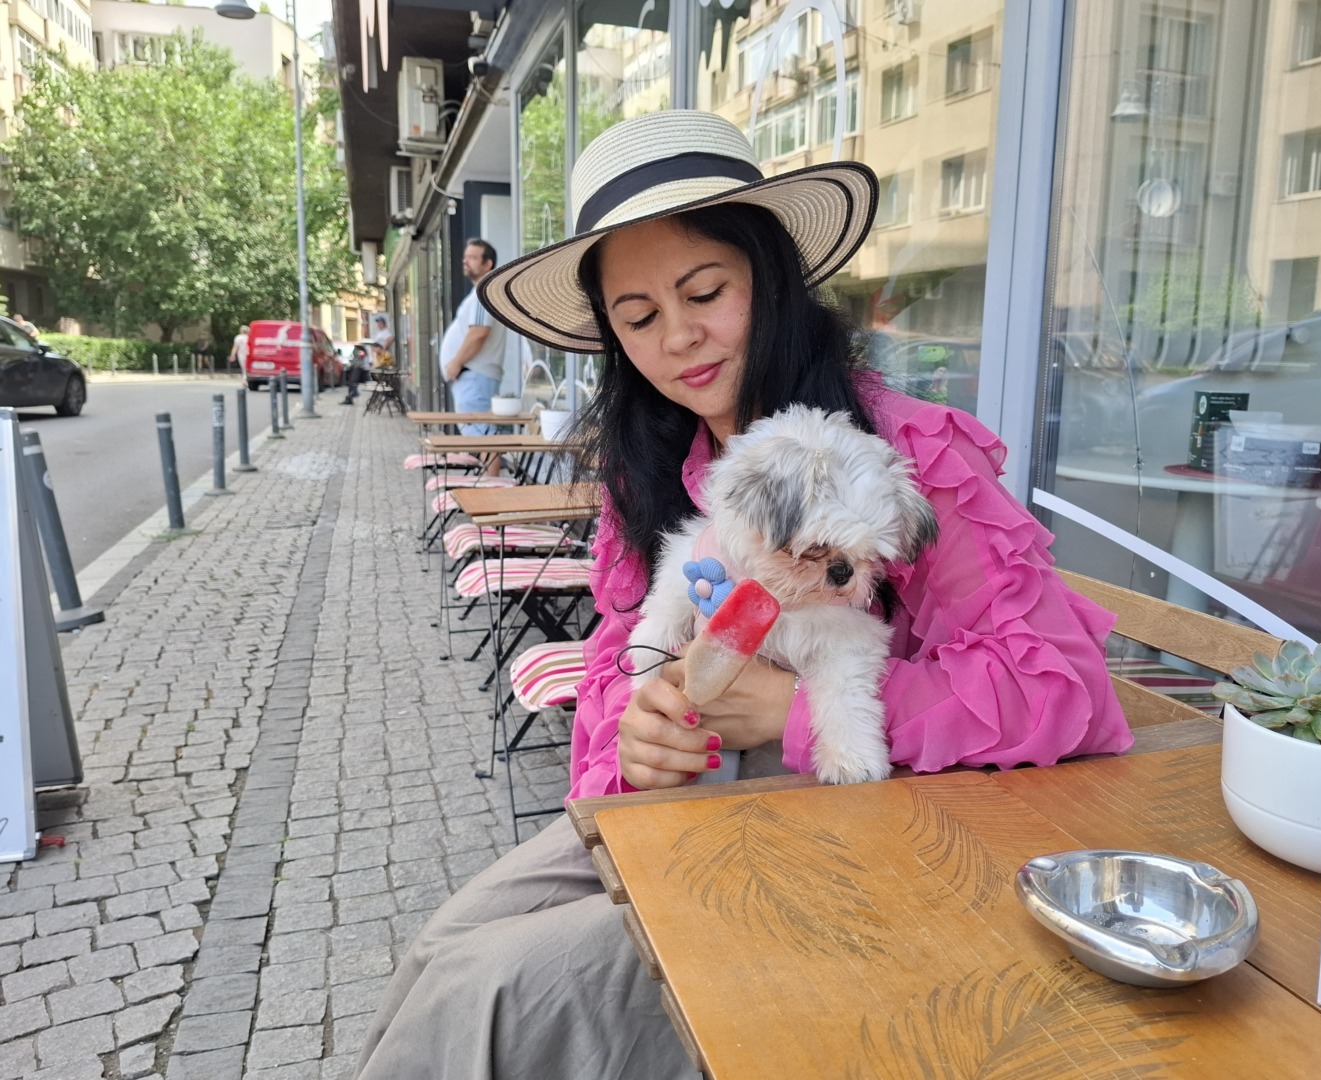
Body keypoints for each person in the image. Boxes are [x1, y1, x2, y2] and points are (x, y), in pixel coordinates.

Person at [353, 111, 1133, 1080]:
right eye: (638, 318)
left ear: (770, 277)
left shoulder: (908, 457)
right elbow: (619, 651)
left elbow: (1062, 689)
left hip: (870, 839)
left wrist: (793, 714)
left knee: (496, 991)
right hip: (685, 808)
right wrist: (635, 733)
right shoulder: (655, 467)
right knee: (446, 945)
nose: (679, 337)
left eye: (705, 292)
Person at [440, 239, 508, 443]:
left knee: (482, 439)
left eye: (472, 257)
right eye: (465, 257)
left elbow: (479, 332)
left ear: (488, 264)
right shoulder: (483, 292)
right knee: (483, 438)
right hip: (475, 377)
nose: (465, 261)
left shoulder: (482, 292)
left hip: (474, 377)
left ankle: (490, 468)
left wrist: (456, 363)